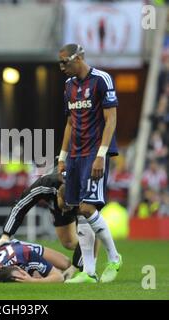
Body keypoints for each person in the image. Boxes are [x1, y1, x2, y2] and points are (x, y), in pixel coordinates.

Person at [57, 43, 122, 283]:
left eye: (65, 61)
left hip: (94, 153)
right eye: (60, 62)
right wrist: (62, 157)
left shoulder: (102, 79)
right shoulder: (68, 86)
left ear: (79, 58)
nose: (62, 67)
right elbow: (70, 123)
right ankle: (90, 272)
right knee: (79, 212)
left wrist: (101, 155)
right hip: (74, 155)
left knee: (87, 208)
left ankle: (114, 257)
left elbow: (111, 118)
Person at [0, 169, 98, 280]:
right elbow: (21, 205)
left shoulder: (83, 193)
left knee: (92, 230)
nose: (67, 211)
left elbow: (89, 229)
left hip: (81, 199)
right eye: (65, 207)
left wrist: (74, 267)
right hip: (57, 197)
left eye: (69, 207)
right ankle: (85, 255)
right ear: (57, 195)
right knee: (69, 243)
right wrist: (6, 235)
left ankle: (90, 270)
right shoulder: (45, 185)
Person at [0, 239, 69, 283]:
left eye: (21, 275)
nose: (22, 278)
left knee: (65, 263)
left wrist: (33, 281)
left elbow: (59, 277)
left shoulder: (28, 254)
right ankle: (42, 270)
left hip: (18, 247)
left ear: (17, 267)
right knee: (43, 274)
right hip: (5, 251)